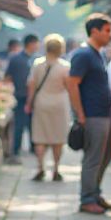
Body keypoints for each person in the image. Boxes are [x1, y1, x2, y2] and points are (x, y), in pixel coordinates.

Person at [67, 13, 111, 214]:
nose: (109, 35)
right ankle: (87, 199)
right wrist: (80, 114)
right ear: (94, 31)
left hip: (104, 114)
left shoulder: (99, 54)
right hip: (92, 115)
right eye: (106, 30)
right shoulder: (83, 54)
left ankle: (95, 193)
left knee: (104, 157)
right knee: (93, 158)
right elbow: (72, 84)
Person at [25, 34, 70, 182]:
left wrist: (29, 103)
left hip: (41, 102)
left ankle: (40, 168)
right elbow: (69, 86)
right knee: (58, 138)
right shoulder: (65, 66)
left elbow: (31, 85)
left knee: (40, 137)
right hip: (59, 103)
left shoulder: (38, 64)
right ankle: (56, 169)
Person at [4, 35, 38, 165]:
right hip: (22, 96)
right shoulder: (28, 60)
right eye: (36, 43)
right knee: (20, 125)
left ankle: (31, 147)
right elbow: (8, 77)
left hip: (29, 97)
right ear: (31, 44)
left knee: (30, 124)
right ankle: (16, 151)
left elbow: (7, 77)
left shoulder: (29, 59)